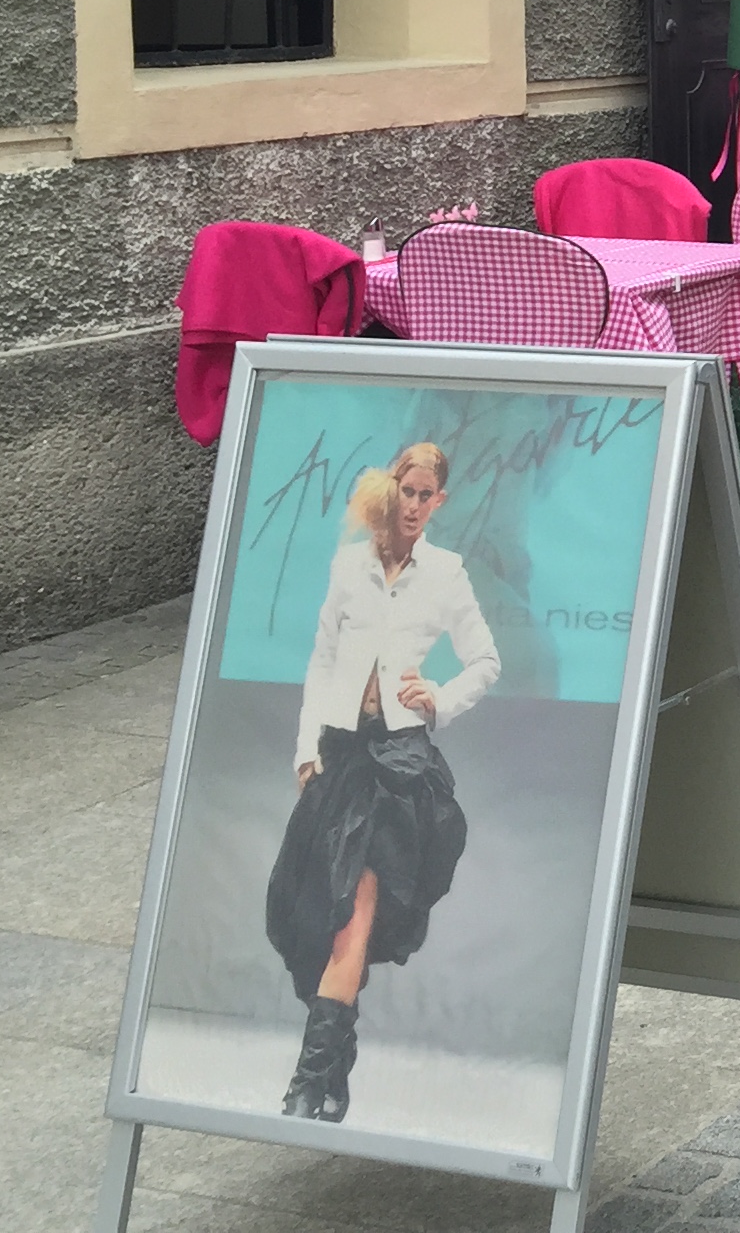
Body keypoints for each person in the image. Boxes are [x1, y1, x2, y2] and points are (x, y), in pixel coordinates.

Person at [267, 442, 498, 1124]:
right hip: (339, 760)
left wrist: (440, 697)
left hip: (397, 770)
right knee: (315, 920)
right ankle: (335, 1069)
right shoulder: (349, 566)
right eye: (407, 490)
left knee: (353, 918)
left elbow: (486, 661)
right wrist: (304, 750)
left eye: (428, 495)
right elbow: (322, 661)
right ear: (386, 488)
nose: (415, 505)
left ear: (439, 501)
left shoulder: (446, 573)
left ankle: (306, 1085)